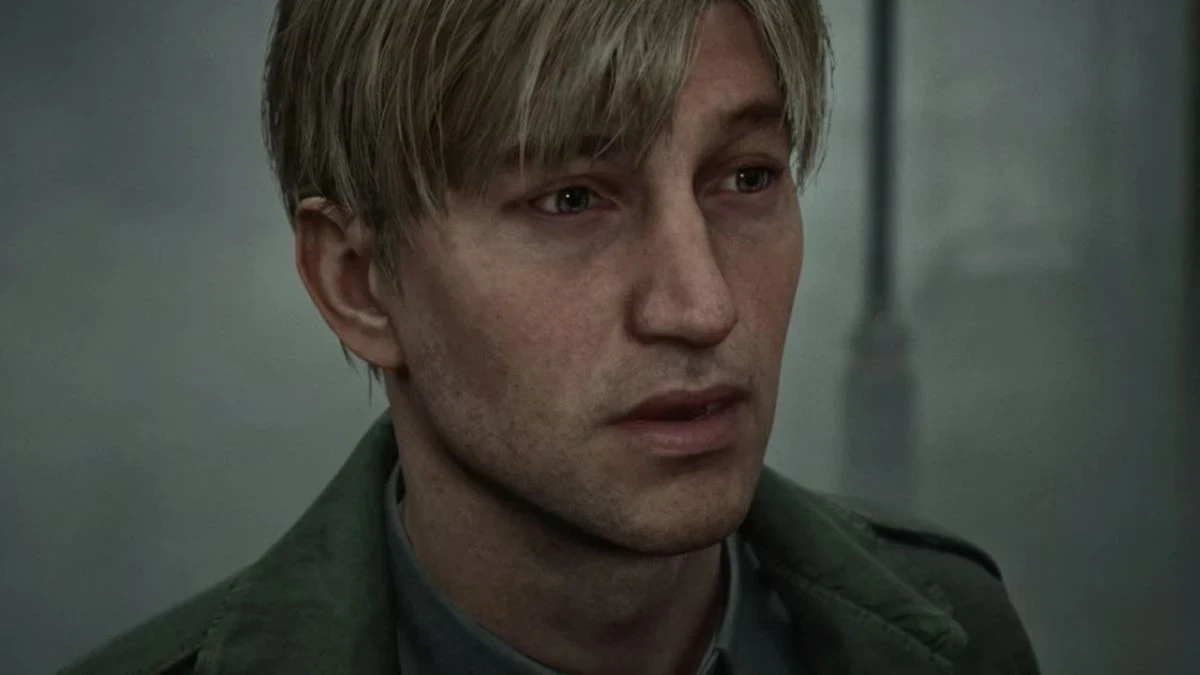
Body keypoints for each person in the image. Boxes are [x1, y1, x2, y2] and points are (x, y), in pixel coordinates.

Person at [62, 1, 1041, 673]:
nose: (702, 305)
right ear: (359, 285)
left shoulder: (952, 630)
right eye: (571, 199)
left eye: (746, 177)